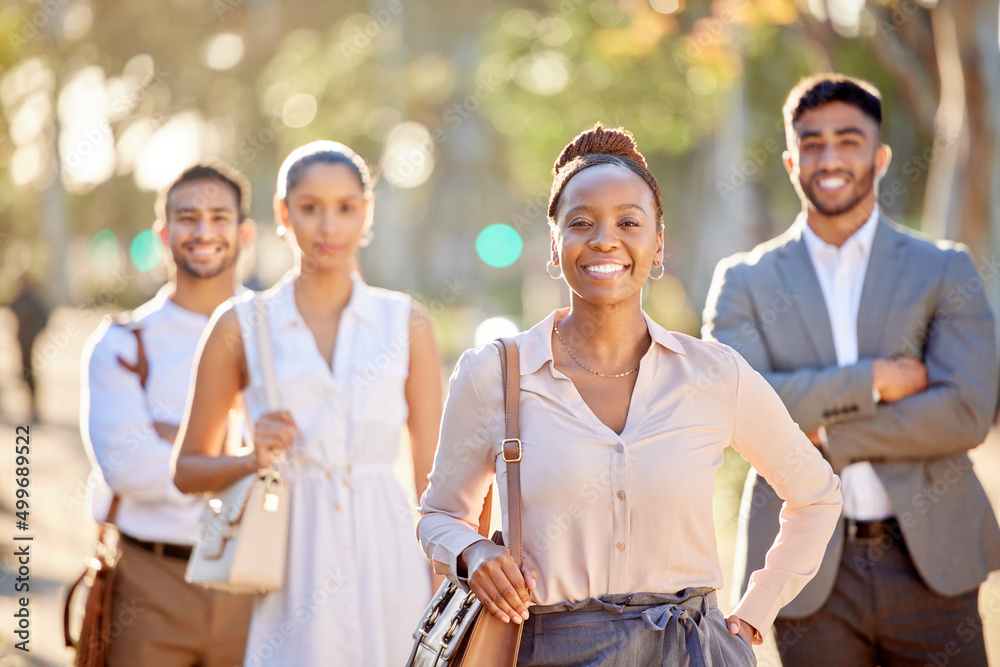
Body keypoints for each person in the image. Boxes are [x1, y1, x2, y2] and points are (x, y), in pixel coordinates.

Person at [418, 123, 842, 666]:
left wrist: (756, 611)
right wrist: (472, 551)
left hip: (696, 651)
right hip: (555, 649)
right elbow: (438, 516)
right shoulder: (494, 375)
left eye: (628, 222)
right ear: (555, 246)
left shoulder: (713, 375)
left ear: (657, 243)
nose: (604, 239)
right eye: (581, 223)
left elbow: (816, 494)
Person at [702, 74, 1000, 666]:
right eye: (812, 143)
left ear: (880, 156)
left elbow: (965, 413)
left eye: (848, 140)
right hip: (802, 571)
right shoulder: (744, 282)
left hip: (931, 562)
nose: (830, 158)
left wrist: (825, 436)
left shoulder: (944, 269)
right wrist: (874, 382)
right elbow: (739, 411)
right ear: (791, 160)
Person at [173, 140, 443, 666]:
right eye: (310, 208)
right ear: (283, 213)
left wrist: (443, 583)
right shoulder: (240, 325)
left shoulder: (406, 323)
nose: (328, 228)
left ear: (367, 213)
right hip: (293, 560)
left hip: (391, 558)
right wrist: (252, 458)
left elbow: (434, 478)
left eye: (346, 208)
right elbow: (186, 470)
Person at [80, 162, 256, 665]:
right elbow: (130, 468)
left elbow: (299, 463)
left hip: (257, 583)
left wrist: (179, 443)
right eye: (188, 217)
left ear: (244, 232)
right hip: (148, 583)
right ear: (164, 232)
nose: (203, 232)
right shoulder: (122, 343)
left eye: (219, 217)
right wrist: (245, 457)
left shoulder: (281, 336)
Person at [10, 272, 50, 422]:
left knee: (29, 374)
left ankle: (33, 407)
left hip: (29, 343)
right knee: (22, 373)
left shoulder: (32, 300)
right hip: (21, 343)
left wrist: (36, 333)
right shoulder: (19, 298)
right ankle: (29, 406)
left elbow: (43, 317)